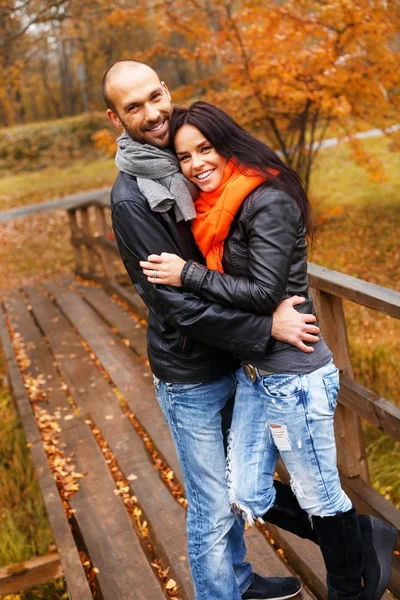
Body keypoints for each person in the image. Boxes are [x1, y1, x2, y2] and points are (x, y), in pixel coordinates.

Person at [140, 101, 398, 600]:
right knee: (245, 492)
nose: (196, 165)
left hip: (296, 373)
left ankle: (349, 585)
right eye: (185, 157)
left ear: (228, 145)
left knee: (320, 495)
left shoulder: (266, 199)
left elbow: (263, 292)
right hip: (256, 372)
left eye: (205, 149)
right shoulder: (218, 209)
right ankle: (362, 536)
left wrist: (187, 274)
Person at [102, 59, 324, 600]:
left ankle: (240, 580)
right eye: (134, 107)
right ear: (116, 118)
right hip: (192, 370)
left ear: (166, 90)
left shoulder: (184, 156)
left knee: (244, 483)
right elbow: (176, 306)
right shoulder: (134, 198)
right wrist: (265, 324)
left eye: (155, 97)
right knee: (212, 501)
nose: (152, 113)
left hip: (231, 356)